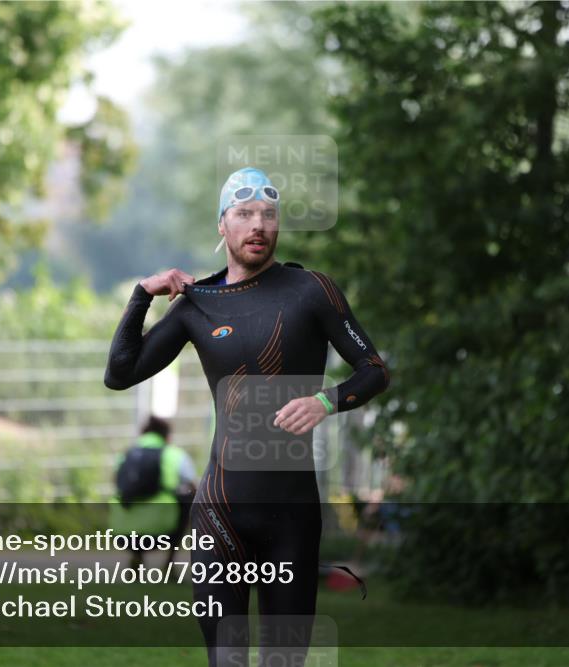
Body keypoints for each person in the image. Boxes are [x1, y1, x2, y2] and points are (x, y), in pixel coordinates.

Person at [104, 166, 389, 666]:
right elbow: (120, 373)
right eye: (244, 213)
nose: (257, 224)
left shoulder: (311, 290)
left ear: (277, 226)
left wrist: (327, 400)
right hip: (219, 513)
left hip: (292, 517)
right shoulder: (199, 304)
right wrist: (141, 295)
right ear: (223, 225)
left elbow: (373, 370)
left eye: (268, 215)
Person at [113, 415, 196, 568]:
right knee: (189, 499)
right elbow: (194, 486)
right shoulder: (175, 455)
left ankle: (137, 557)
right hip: (163, 532)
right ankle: (169, 564)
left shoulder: (126, 455)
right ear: (167, 436)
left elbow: (117, 484)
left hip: (123, 534)